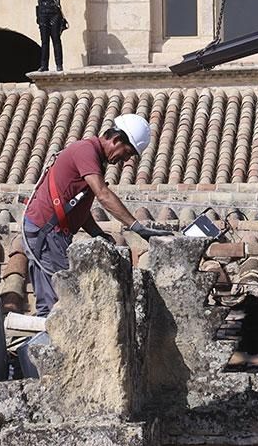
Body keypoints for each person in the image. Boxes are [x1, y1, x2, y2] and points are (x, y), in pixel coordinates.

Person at [21, 113, 168, 315]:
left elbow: (77, 207)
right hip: (47, 232)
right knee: (57, 304)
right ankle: (45, 345)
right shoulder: (85, 151)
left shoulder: (92, 158)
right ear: (116, 140)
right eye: (127, 153)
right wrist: (136, 227)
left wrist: (97, 233)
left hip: (53, 232)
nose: (125, 160)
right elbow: (103, 195)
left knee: (62, 299)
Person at [31, 0, 66, 72]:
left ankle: (59, 64)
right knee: (44, 41)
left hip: (54, 14)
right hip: (43, 14)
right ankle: (44, 65)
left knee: (56, 39)